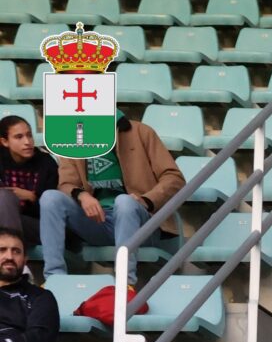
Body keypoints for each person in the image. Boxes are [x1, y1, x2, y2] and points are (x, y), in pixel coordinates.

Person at [39, 113, 182, 281]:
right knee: (50, 198)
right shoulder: (75, 138)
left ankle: (125, 282)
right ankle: (54, 278)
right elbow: (66, 184)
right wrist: (82, 195)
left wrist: (146, 200)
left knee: (124, 202)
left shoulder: (141, 132)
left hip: (140, 222)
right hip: (99, 220)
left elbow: (174, 178)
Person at [0, 229, 55, 342]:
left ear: (25, 260)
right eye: (2, 250)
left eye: (16, 251)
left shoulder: (40, 297)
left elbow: (39, 339)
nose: (9, 256)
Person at [0, 118, 57, 249]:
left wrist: (32, 197)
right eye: (19, 137)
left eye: (29, 135)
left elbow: (53, 210)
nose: (27, 142)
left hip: (39, 226)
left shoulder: (46, 163)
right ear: (4, 142)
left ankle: (10, 253)